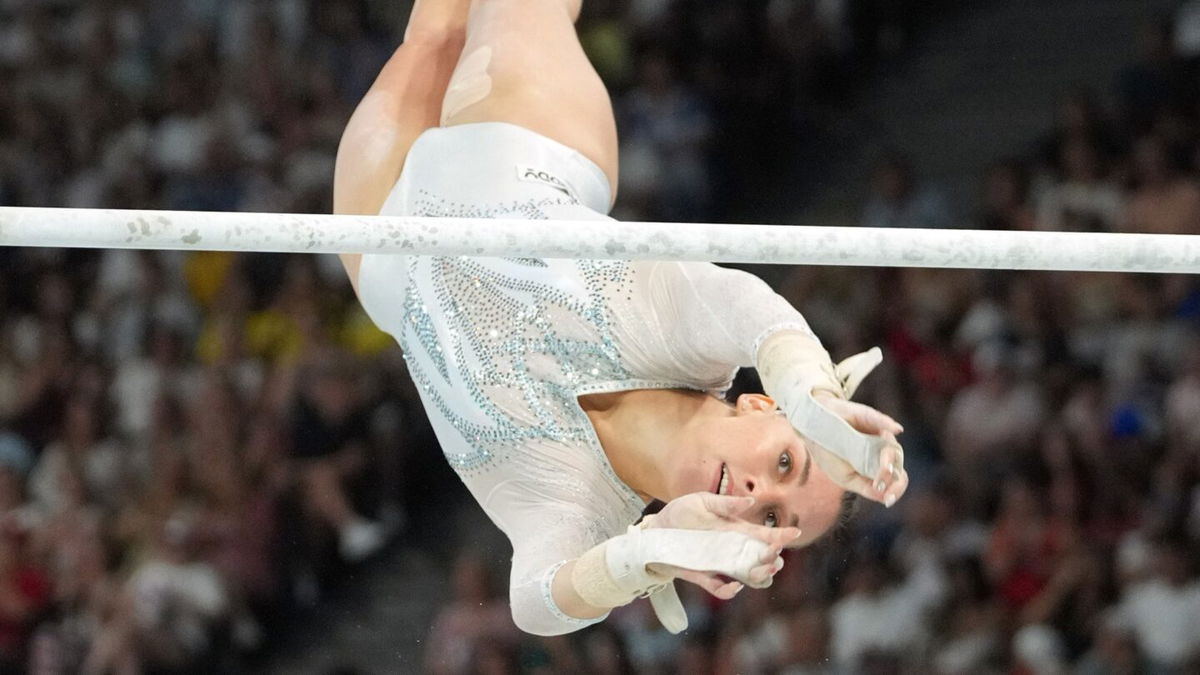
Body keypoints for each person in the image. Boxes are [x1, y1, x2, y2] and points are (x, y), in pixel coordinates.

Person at [332, 0, 908, 636]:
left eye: (769, 520)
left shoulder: (579, 506)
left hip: (381, 242)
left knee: (433, 34)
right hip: (525, 131)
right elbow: (751, 309)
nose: (753, 494)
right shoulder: (680, 340)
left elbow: (537, 601)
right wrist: (809, 390)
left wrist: (643, 552)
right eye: (782, 465)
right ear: (762, 408)